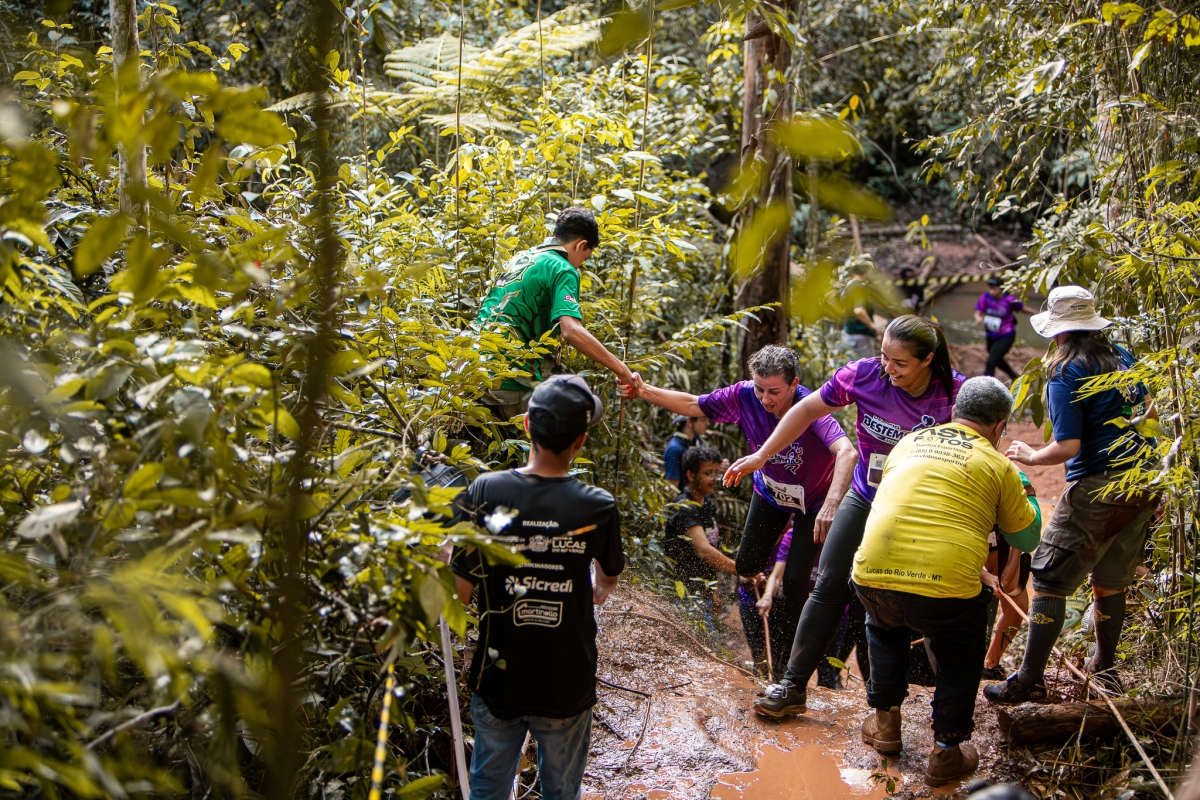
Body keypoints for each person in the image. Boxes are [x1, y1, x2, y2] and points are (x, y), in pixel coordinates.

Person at [726, 316, 965, 718]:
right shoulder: (862, 376)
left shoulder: (954, 392)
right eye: (884, 356)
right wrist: (762, 455)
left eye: (900, 363)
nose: (889, 368)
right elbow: (805, 410)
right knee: (829, 582)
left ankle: (917, 702)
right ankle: (793, 687)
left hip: (915, 508)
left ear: (927, 359)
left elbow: (977, 446)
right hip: (865, 495)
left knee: (907, 596)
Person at [851, 377, 1041, 787]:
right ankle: (945, 752)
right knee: (959, 651)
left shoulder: (908, 442)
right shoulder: (998, 464)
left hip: (872, 574)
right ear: (999, 425)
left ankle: (886, 725)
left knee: (884, 627)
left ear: (955, 412)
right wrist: (1031, 498)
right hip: (946, 588)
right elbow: (1026, 538)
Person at [450, 374, 624, 800]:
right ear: (580, 441)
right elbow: (607, 578)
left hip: (499, 680)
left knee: (488, 789)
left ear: (527, 425)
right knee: (561, 793)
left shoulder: (486, 490)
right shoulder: (597, 506)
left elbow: (459, 595)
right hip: (567, 682)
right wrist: (597, 588)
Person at [620, 345, 857, 656]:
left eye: (774, 391)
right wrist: (643, 390)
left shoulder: (810, 405)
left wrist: (831, 505)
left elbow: (847, 452)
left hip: (813, 502)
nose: (765, 399)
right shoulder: (744, 396)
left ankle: (792, 657)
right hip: (771, 494)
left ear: (794, 384)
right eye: (760, 389)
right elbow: (693, 404)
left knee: (796, 583)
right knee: (747, 564)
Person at [985, 286, 1158, 704]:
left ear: (1056, 329)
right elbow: (1151, 411)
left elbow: (1067, 446)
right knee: (1112, 579)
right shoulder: (1121, 356)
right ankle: (1107, 671)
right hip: (1143, 479)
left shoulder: (1065, 371)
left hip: (1098, 484)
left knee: (1048, 578)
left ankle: (1030, 678)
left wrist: (1030, 455)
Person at [475, 207, 642, 424]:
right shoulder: (563, 268)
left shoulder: (520, 258)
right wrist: (622, 370)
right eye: (585, 257)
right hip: (511, 381)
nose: (580, 264)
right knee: (542, 442)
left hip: (476, 371)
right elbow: (571, 330)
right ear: (581, 245)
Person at [663, 446, 735, 611]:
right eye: (708, 473)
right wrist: (739, 569)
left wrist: (714, 591)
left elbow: (712, 546)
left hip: (703, 594)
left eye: (716, 472)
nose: (714, 478)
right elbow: (703, 550)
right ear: (690, 475)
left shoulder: (706, 505)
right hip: (685, 597)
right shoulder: (685, 507)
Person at [981, 474, 1037, 679]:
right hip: (969, 541)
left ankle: (990, 664)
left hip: (1003, 540)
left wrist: (1012, 565)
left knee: (1017, 609)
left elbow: (1020, 525)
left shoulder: (1010, 474)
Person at [743, 525, 795, 680]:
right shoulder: (754, 535)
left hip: (779, 602)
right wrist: (751, 578)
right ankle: (761, 679)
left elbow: (777, 576)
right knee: (758, 650)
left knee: (777, 650)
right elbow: (741, 572)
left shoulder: (792, 536)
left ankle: (776, 680)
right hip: (751, 599)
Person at [973, 275, 1033, 380]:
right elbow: (978, 312)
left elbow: (1022, 308)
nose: (991, 291)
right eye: (990, 288)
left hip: (1006, 335)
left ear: (1001, 289)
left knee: (991, 362)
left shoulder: (1009, 299)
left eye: (994, 289)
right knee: (996, 359)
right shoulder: (985, 297)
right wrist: (978, 317)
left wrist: (1036, 313)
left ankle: (986, 385)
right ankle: (1014, 377)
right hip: (991, 335)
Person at [842, 260, 880, 359]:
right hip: (860, 336)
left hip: (850, 332)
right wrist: (872, 326)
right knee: (866, 366)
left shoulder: (849, 285)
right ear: (866, 272)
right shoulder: (859, 287)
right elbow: (858, 310)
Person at [663, 414, 710, 489]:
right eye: (703, 420)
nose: (707, 423)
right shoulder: (675, 449)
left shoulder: (695, 442)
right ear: (689, 422)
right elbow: (672, 486)